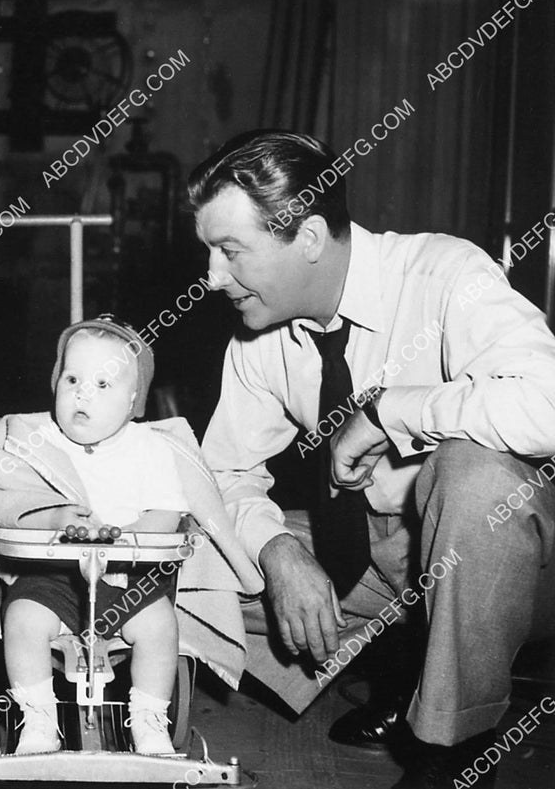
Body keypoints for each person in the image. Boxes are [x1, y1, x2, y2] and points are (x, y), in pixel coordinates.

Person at [190, 130, 555, 789]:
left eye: (230, 251)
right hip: (368, 559)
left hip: (511, 567)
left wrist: (394, 410)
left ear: (305, 237)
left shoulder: (445, 275)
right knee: (175, 555)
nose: (212, 277)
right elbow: (221, 474)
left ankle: (454, 741)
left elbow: (548, 406)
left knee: (473, 476)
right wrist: (276, 549)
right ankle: (406, 665)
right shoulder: (260, 333)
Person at [0, 316, 260, 756]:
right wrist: (52, 517)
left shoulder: (150, 448)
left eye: (103, 385)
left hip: (132, 584)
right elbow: (6, 495)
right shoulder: (36, 440)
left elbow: (168, 513)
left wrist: (127, 540)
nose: (82, 392)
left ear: (133, 400)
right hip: (54, 580)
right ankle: (37, 720)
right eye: (71, 378)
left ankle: (149, 720)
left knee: (159, 626)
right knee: (22, 621)